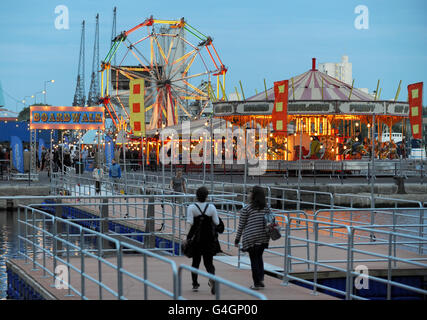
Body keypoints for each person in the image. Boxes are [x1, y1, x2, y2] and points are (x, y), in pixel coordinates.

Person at [234, 186, 271, 290]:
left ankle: (256, 283)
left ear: (254, 195)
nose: (248, 195)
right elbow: (270, 221)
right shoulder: (266, 207)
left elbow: (241, 226)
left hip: (251, 237)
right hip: (264, 237)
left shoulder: (246, 209)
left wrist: (237, 239)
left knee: (254, 259)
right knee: (259, 257)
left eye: (250, 193)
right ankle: (260, 279)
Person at [185, 186, 220, 294]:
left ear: (196, 195)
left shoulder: (192, 207)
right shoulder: (211, 207)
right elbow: (217, 222)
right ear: (207, 196)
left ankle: (195, 283)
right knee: (209, 262)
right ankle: (212, 278)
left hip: (196, 239)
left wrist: (186, 237)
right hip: (209, 238)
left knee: (195, 262)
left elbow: (189, 223)